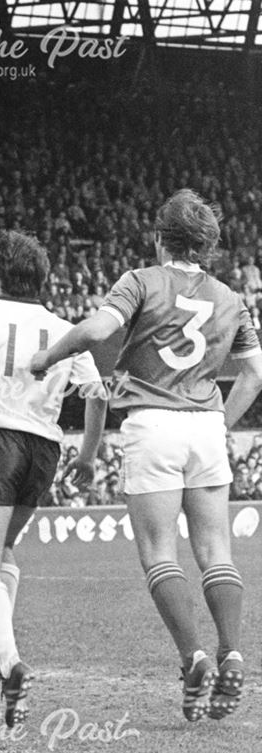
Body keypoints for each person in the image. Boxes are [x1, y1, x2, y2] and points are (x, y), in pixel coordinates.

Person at [30, 190, 262, 722]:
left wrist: (48, 356)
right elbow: (255, 374)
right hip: (204, 426)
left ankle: (194, 658)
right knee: (216, 551)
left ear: (160, 238)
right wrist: (220, 423)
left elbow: (96, 331)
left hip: (151, 423)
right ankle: (232, 649)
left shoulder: (141, 280)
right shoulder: (231, 298)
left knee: (160, 554)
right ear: (207, 245)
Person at [0, 230, 108, 728]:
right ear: (42, 279)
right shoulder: (65, 328)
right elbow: (98, 396)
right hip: (44, 450)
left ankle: (10, 664)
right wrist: (89, 456)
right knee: (3, 550)